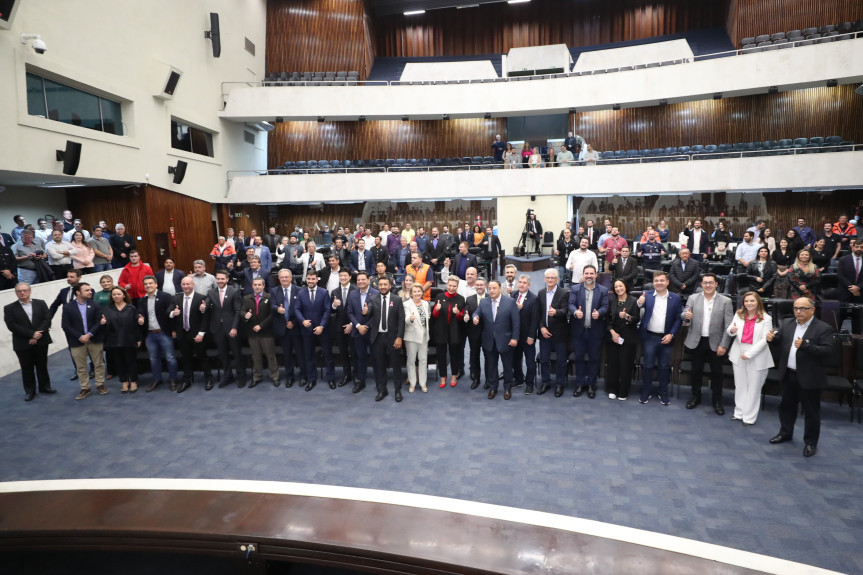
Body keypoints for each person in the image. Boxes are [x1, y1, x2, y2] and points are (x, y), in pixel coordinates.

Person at [767, 297, 835, 457]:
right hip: (788, 373)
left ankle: (810, 443)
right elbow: (781, 342)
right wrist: (773, 339)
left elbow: (828, 352)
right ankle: (785, 433)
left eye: (803, 308)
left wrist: (806, 346)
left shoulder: (823, 328)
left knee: (811, 412)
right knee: (786, 406)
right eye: (796, 308)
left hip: (809, 377)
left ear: (812, 310)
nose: (798, 311)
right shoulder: (788, 324)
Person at [681, 273, 733, 415]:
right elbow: (685, 313)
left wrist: (724, 345)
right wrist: (686, 316)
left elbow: (729, 325)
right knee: (695, 371)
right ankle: (695, 396)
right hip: (696, 341)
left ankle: (717, 401)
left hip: (716, 343)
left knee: (717, 373)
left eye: (711, 282)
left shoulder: (725, 301)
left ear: (716, 284)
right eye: (705, 283)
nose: (708, 285)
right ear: (701, 284)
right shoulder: (693, 298)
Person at [726, 292, 774, 425]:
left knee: (754, 388)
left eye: (752, 301)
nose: (749, 304)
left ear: (758, 302)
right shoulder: (739, 314)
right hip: (738, 353)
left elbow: (765, 339)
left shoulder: (766, 318)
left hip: (757, 355)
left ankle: (749, 417)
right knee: (740, 385)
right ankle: (739, 412)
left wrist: (749, 354)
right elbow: (729, 330)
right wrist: (732, 330)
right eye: (746, 301)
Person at [637, 271, 683, 405]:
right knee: (648, 365)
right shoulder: (647, 295)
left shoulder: (675, 298)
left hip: (667, 338)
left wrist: (672, 334)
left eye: (662, 280)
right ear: (653, 282)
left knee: (664, 366)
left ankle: (663, 392)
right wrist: (639, 303)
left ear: (667, 282)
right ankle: (646, 391)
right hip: (650, 337)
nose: (659, 283)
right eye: (656, 280)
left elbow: (678, 319)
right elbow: (638, 308)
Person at [4, 283, 55, 401]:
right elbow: (12, 325)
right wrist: (31, 335)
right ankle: (30, 391)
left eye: (25, 290)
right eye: (19, 291)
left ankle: (45, 387)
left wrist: (37, 335)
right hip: (22, 342)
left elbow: (47, 319)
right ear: (16, 293)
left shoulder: (40, 303)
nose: (22, 293)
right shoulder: (9, 308)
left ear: (30, 291)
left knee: (42, 365)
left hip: (41, 340)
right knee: (26, 367)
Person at [472, 279, 519, 400]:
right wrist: (475, 317)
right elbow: (476, 313)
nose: (492, 290)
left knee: (507, 366)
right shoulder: (483, 302)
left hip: (506, 340)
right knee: (491, 366)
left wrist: (515, 338)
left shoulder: (510, 302)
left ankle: (507, 388)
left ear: (500, 289)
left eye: (494, 288)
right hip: (489, 341)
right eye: (490, 288)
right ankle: (493, 387)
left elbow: (516, 323)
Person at [62, 282, 107, 400]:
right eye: (87, 290)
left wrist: (89, 334)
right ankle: (85, 388)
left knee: (99, 364)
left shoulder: (96, 304)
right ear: (78, 292)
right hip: (77, 341)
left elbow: (99, 321)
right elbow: (66, 325)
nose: (90, 292)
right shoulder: (68, 307)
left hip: (94, 339)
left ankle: (100, 384)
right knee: (81, 367)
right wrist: (80, 336)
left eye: (90, 290)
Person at [568, 265, 608, 398]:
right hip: (579, 331)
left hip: (595, 331)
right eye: (587, 273)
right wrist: (575, 311)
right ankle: (580, 384)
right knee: (579, 358)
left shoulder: (603, 290)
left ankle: (591, 385)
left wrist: (600, 313)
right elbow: (571, 304)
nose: (589, 276)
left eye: (592, 273)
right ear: (583, 275)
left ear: (596, 275)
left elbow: (605, 306)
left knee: (594, 359)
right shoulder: (574, 289)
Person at [169, 275, 211, 392]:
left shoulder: (201, 298)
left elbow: (205, 318)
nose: (186, 286)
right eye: (183, 284)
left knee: (202, 357)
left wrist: (201, 333)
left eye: (188, 284)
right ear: (181, 286)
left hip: (197, 334)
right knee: (186, 359)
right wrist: (173, 312)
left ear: (193, 285)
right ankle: (186, 380)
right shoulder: (176, 298)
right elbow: (168, 311)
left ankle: (208, 379)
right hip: (182, 334)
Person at [137, 275, 179, 392]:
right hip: (150, 334)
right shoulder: (142, 300)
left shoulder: (165, 297)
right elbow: (139, 314)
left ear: (156, 284)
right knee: (153, 359)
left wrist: (174, 330)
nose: (148, 286)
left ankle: (173, 379)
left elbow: (172, 315)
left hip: (164, 333)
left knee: (170, 358)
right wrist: (139, 319)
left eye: (150, 283)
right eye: (145, 284)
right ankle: (157, 379)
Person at [206, 269, 246, 388]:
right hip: (218, 329)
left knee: (236, 353)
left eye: (222, 279)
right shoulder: (211, 292)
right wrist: (203, 307)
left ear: (227, 279)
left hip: (231, 328)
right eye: (218, 279)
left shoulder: (234, 291)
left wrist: (234, 328)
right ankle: (227, 376)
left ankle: (241, 377)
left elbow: (238, 311)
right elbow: (206, 305)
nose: (220, 281)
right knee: (223, 354)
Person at [296, 269, 335, 390]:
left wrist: (321, 325)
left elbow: (327, 310)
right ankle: (311, 379)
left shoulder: (324, 292)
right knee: (308, 356)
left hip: (322, 329)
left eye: (313, 279)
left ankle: (331, 378)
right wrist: (302, 320)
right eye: (309, 279)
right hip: (306, 329)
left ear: (317, 279)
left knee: (328, 355)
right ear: (306, 279)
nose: (311, 281)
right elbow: (297, 309)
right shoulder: (301, 293)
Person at [367, 276, 405, 402]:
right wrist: (366, 311)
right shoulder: (373, 299)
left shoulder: (397, 300)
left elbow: (401, 321)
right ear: (378, 286)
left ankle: (397, 390)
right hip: (378, 338)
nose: (383, 286)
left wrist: (399, 337)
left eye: (385, 284)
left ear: (390, 286)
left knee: (396, 365)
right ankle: (382, 389)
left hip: (393, 337)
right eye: (381, 284)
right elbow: (369, 312)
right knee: (380, 365)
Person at [99, 286, 141, 394]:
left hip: (129, 339)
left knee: (131, 362)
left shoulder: (131, 308)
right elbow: (106, 327)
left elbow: (136, 325)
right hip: (114, 341)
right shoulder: (107, 310)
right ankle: (124, 382)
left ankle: (134, 382)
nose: (116, 296)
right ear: (111, 297)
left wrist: (138, 338)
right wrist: (103, 324)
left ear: (123, 295)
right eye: (114, 294)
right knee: (119, 363)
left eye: (118, 294)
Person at [241, 277, 279, 387]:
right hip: (252, 333)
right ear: (252, 286)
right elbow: (242, 311)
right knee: (256, 356)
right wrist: (245, 315)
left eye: (259, 285)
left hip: (267, 332)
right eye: (255, 285)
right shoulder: (246, 298)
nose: (257, 287)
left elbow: (272, 315)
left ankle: (275, 376)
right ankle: (257, 376)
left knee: (270, 355)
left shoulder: (270, 297)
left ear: (263, 286)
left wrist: (261, 326)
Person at [605, 279, 639, 400]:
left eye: (621, 286)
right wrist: (613, 333)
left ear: (625, 286)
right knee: (613, 364)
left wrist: (627, 316)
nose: (619, 288)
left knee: (625, 365)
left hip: (628, 338)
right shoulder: (611, 301)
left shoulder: (633, 301)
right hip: (613, 337)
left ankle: (623, 391)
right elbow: (607, 320)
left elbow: (636, 319)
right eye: (616, 287)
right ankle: (612, 389)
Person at [536, 269, 568, 396]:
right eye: (548, 278)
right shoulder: (541, 293)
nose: (550, 280)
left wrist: (556, 312)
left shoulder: (564, 293)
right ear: (545, 279)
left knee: (561, 361)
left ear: (557, 279)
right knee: (544, 360)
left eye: (552, 278)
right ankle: (545, 382)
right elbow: (538, 313)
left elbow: (566, 311)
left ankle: (560, 384)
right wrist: (541, 328)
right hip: (545, 333)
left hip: (559, 333)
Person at [431, 276, 467, 389]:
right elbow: (434, 315)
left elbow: (462, 318)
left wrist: (458, 313)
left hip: (455, 331)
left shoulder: (461, 299)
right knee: (441, 355)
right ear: (447, 285)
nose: (451, 288)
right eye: (450, 285)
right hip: (441, 330)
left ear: (457, 287)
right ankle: (443, 376)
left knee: (454, 355)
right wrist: (436, 310)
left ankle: (454, 375)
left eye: (454, 286)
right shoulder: (439, 296)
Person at [347, 272, 379, 393]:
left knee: (375, 358)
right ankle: (360, 382)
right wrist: (358, 325)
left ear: (368, 280)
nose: (361, 282)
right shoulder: (352, 294)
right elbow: (350, 312)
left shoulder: (376, 293)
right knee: (360, 358)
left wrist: (367, 326)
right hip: (358, 331)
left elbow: (377, 313)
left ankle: (378, 382)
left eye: (363, 279)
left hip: (372, 332)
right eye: (358, 280)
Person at [271, 268, 303, 387]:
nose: (284, 279)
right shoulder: (274, 291)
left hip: (296, 328)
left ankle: (303, 375)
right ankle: (290, 377)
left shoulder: (299, 290)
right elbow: (272, 306)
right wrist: (277, 309)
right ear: (278, 279)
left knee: (300, 354)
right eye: (282, 277)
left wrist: (293, 322)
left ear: (291, 278)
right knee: (287, 355)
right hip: (282, 328)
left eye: (286, 277)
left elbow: (301, 309)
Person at [511, 274, 538, 392]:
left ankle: (530, 383)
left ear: (529, 285)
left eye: (524, 283)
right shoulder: (514, 295)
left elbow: (535, 320)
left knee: (530, 362)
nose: (521, 284)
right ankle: (518, 379)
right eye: (520, 282)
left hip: (528, 336)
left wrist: (531, 336)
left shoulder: (534, 299)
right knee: (515, 360)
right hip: (515, 336)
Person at [330, 268, 356, 387]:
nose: (343, 278)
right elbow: (331, 310)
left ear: (350, 277)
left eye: (345, 276)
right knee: (343, 353)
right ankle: (347, 375)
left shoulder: (356, 290)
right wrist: (334, 306)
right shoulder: (334, 292)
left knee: (355, 353)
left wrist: (351, 324)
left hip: (353, 326)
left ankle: (356, 376)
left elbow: (359, 311)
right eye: (341, 276)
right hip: (339, 327)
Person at [403, 283, 430, 393]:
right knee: (411, 360)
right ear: (411, 293)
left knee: (423, 360)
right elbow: (406, 319)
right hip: (411, 336)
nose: (417, 293)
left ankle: (423, 383)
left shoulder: (425, 303)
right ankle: (413, 383)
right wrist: (411, 319)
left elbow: (427, 317)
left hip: (424, 335)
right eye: (415, 291)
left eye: (419, 291)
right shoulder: (406, 304)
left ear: (422, 292)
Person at [462, 277, 487, 390]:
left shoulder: (490, 298)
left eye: (482, 285)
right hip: (474, 333)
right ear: (475, 286)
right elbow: (465, 314)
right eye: (478, 285)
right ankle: (476, 378)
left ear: (485, 286)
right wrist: (466, 317)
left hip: (488, 334)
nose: (479, 287)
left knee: (489, 358)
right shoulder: (469, 299)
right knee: (474, 356)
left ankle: (489, 380)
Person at [836, 239, 863, 332]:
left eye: (862, 247)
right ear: (852, 247)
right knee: (840, 318)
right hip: (844, 293)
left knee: (858, 320)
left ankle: (857, 341)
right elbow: (840, 275)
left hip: (859, 294)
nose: (859, 249)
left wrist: (858, 287)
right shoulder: (844, 259)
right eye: (857, 246)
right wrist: (852, 287)